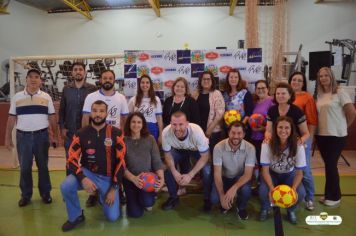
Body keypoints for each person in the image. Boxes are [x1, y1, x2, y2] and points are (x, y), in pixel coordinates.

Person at [60, 100, 126, 232]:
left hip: (108, 178)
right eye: (95, 111)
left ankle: (104, 196)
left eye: (101, 111)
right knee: (66, 185)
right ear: (90, 113)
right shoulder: (81, 133)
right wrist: (82, 178)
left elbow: (121, 162)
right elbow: (71, 159)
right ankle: (76, 216)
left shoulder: (116, 133)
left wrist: (114, 188)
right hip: (88, 174)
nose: (98, 114)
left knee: (113, 217)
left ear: (107, 113)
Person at [5, 68, 58, 207]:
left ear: (40, 80)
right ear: (26, 79)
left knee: (43, 167)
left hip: (42, 137)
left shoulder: (46, 97)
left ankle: (45, 193)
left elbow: (52, 118)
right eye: (31, 77)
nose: (33, 79)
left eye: (36, 77)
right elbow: (11, 119)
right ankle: (26, 195)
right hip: (23, 138)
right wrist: (7, 138)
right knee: (25, 168)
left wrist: (56, 136)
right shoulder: (17, 97)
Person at [82, 69, 129, 206]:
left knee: (116, 164)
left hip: (114, 139)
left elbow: (125, 118)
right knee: (93, 164)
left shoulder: (121, 97)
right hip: (95, 137)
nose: (107, 80)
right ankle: (93, 194)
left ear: (114, 80)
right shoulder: (91, 97)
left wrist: (122, 136)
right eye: (104, 78)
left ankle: (118, 189)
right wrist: (85, 136)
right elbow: (85, 118)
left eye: (110, 78)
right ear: (100, 80)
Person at [315, 67, 356, 207]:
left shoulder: (340, 92)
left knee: (331, 165)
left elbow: (352, 113)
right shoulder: (320, 95)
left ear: (331, 76)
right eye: (321, 76)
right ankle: (329, 194)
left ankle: (335, 197)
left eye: (326, 75)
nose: (323, 78)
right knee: (328, 166)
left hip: (336, 136)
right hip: (322, 135)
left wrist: (344, 127)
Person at [161, 111, 212, 211]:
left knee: (207, 171)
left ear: (187, 124)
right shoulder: (166, 132)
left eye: (181, 124)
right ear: (170, 123)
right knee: (166, 168)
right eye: (174, 124)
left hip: (196, 150)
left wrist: (190, 175)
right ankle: (173, 197)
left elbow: (205, 156)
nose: (177, 128)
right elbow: (167, 155)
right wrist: (174, 172)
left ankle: (207, 199)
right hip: (178, 149)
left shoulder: (196, 131)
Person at [259, 116, 306, 224]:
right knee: (263, 191)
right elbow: (265, 171)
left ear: (291, 130)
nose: (283, 130)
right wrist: (271, 188)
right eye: (280, 127)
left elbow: (299, 173)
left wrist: (293, 189)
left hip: (290, 174)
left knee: (301, 192)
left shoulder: (298, 146)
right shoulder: (267, 144)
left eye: (287, 128)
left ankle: (291, 210)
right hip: (272, 173)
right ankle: (265, 208)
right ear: (275, 129)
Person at [211, 121, 256, 220]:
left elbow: (248, 174)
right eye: (233, 133)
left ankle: (241, 207)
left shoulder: (250, 148)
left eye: (239, 133)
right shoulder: (218, 147)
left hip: (240, 178)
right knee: (214, 199)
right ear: (228, 133)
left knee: (246, 190)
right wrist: (222, 195)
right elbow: (217, 174)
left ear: (244, 134)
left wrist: (234, 188)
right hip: (225, 177)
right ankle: (225, 203)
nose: (236, 136)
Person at [123, 112, 164, 218]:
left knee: (148, 203)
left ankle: (146, 198)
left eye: (139, 122)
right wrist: (133, 179)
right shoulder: (122, 140)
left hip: (147, 180)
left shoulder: (150, 139)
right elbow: (120, 165)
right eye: (133, 122)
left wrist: (161, 179)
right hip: (130, 180)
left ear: (143, 124)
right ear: (129, 123)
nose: (136, 125)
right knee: (135, 214)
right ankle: (132, 199)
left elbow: (157, 161)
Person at [58, 62, 97, 175]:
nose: (78, 71)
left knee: (90, 162)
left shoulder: (92, 89)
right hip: (70, 133)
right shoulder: (66, 89)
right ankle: (70, 189)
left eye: (80, 69)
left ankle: (92, 190)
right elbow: (62, 110)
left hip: (88, 133)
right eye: (75, 69)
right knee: (71, 161)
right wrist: (62, 127)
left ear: (85, 72)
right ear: (72, 72)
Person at [288, 71, 318, 210]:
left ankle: (310, 198)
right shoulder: (286, 96)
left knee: (304, 170)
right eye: (294, 79)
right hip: (286, 140)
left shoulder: (307, 97)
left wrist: (308, 140)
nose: (296, 82)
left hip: (302, 140)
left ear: (303, 83)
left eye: (300, 80)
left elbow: (312, 120)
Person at [192, 71, 225, 153]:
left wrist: (208, 131)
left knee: (212, 155)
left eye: (208, 79)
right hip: (198, 131)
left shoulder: (217, 94)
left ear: (212, 81)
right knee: (199, 155)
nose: (206, 81)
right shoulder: (195, 94)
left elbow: (219, 115)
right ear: (200, 81)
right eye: (204, 79)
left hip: (212, 131)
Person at [128, 75, 163, 143]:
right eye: (142, 82)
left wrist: (161, 134)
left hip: (152, 129)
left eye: (147, 82)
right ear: (139, 84)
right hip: (137, 129)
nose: (145, 85)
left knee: (152, 151)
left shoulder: (156, 99)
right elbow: (129, 118)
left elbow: (159, 118)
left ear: (150, 85)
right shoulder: (133, 100)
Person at [250, 80, 274, 168]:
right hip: (254, 137)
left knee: (265, 164)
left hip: (266, 138)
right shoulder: (254, 102)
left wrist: (263, 129)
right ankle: (258, 180)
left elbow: (276, 122)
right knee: (257, 163)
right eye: (258, 88)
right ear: (255, 90)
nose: (261, 90)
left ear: (268, 89)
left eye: (263, 88)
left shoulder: (272, 101)